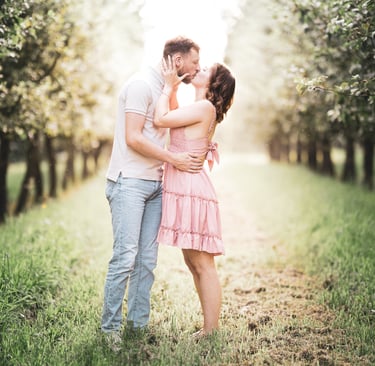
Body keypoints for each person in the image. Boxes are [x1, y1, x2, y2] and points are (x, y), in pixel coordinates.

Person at [101, 36, 203, 349]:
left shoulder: (165, 89)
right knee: (125, 257)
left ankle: (137, 326)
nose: (197, 68)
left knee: (147, 260)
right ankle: (109, 331)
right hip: (129, 182)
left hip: (156, 184)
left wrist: (172, 88)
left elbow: (174, 126)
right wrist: (174, 160)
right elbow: (133, 137)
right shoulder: (140, 85)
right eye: (194, 62)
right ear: (177, 60)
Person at [154, 56, 235, 337]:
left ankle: (211, 330)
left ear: (213, 84)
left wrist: (166, 87)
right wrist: (174, 89)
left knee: (202, 263)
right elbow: (175, 119)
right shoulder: (200, 107)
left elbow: (161, 119)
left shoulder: (204, 107)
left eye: (205, 69)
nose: (199, 68)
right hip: (186, 187)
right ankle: (208, 327)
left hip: (191, 190)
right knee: (193, 262)